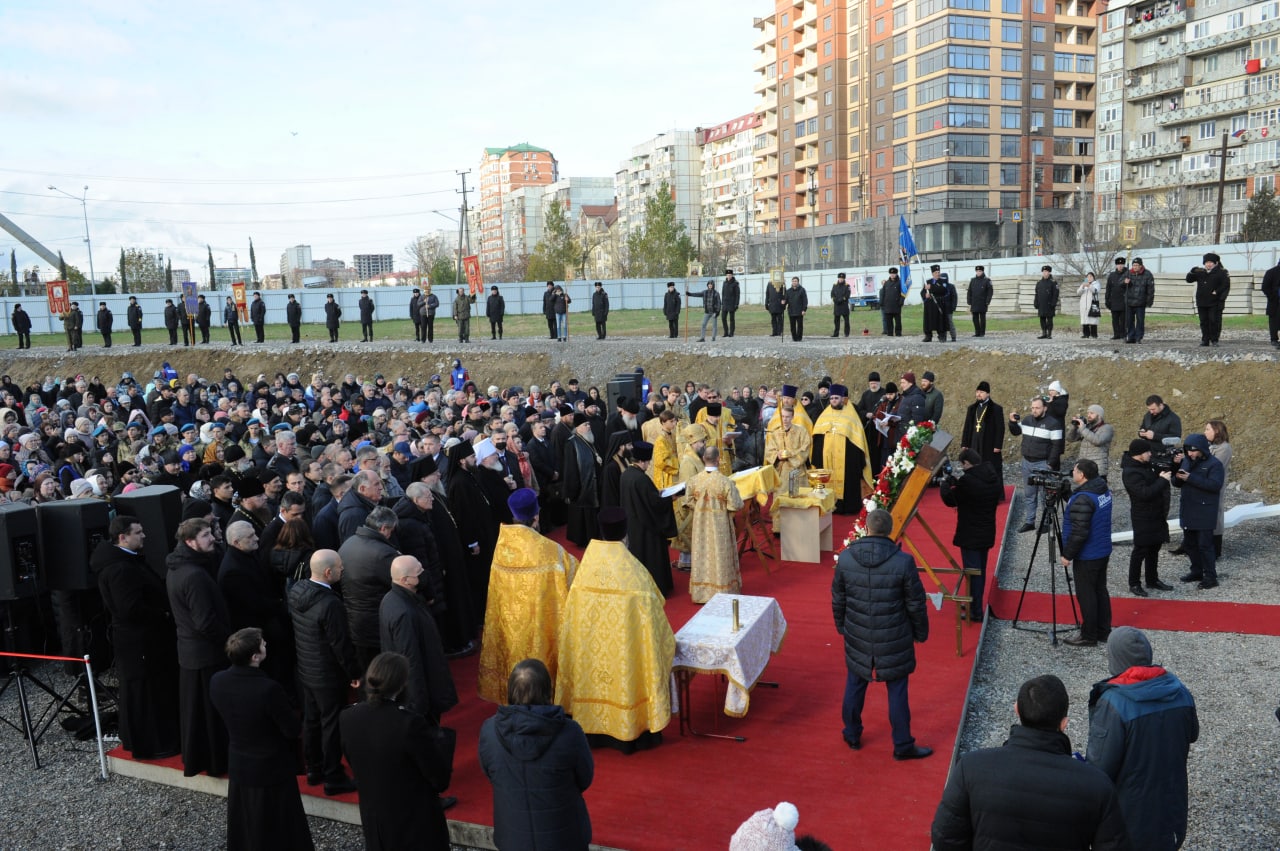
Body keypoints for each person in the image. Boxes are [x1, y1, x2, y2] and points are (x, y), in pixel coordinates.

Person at [930, 674, 1130, 850]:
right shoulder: (1096, 785)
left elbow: (945, 837)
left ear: (1017, 710)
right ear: (1064, 723)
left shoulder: (971, 767)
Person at [1087, 627, 1200, 851]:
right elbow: (1193, 734)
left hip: (1128, 815)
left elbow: (1099, 768)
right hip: (1171, 806)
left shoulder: (1114, 702)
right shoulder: (1180, 691)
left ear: (1115, 658)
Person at [832, 508, 930, 759]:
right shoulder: (903, 561)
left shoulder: (846, 558)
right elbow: (916, 603)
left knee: (854, 685)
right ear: (889, 530)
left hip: (858, 633)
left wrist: (842, 626)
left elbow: (838, 598)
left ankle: (851, 733)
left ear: (867, 528)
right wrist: (920, 632)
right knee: (897, 691)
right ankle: (902, 745)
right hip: (894, 636)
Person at [209, 628, 315, 851]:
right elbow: (291, 729)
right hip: (271, 767)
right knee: (279, 826)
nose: (266, 645)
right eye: (263, 644)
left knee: (248, 824)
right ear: (255, 657)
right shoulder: (267, 689)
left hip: (240, 763)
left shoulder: (217, 681)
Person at [340, 652, 453, 850]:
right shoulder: (409, 723)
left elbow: (354, 760)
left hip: (376, 821)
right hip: (414, 822)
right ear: (402, 684)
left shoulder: (348, 716)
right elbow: (439, 778)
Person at [478, 658, 594, 851]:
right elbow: (585, 777)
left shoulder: (489, 731)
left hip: (513, 839)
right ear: (548, 691)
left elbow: (489, 771)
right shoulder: (570, 732)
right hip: (564, 839)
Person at [477, 489, 577, 704]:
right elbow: (573, 577)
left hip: (511, 625)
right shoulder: (550, 550)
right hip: (538, 625)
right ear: (536, 515)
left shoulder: (502, 546)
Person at [94, 515, 180, 759]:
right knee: (146, 693)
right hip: (140, 641)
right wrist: (162, 614)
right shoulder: (120, 568)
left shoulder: (125, 562)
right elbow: (130, 608)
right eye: (138, 532)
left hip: (140, 640)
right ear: (123, 537)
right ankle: (153, 743)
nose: (144, 536)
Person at [289, 549, 361, 796]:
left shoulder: (297, 591)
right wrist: (354, 673)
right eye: (340, 567)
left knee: (311, 720)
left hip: (306, 669)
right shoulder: (330, 603)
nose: (343, 570)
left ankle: (314, 768)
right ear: (329, 572)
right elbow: (340, 644)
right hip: (328, 674)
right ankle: (333, 775)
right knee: (332, 724)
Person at [165, 517, 230, 778]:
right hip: (205, 654)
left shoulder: (181, 567)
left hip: (193, 652)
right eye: (205, 535)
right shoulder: (193, 575)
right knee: (208, 715)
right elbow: (205, 622)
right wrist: (229, 639)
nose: (212, 538)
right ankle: (215, 762)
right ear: (190, 542)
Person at [379, 555, 458, 725]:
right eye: (419, 572)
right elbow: (410, 660)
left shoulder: (394, 599)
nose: (424, 574)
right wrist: (418, 704)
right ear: (406, 580)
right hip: (421, 692)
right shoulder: (404, 612)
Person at [939, 449, 1002, 622]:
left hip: (971, 533)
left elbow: (951, 499)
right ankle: (975, 603)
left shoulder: (968, 481)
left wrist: (945, 484)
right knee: (979, 570)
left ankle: (975, 611)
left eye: (962, 465)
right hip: (986, 531)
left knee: (974, 573)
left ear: (967, 463)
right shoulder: (992, 477)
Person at [1061, 459, 1114, 648]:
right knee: (1100, 590)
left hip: (1088, 553)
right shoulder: (1101, 490)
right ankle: (1103, 630)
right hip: (1102, 549)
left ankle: (1088, 635)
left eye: (1074, 470)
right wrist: (1070, 495)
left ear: (1082, 475)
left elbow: (1080, 531)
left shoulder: (1084, 498)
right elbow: (1086, 511)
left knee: (1087, 594)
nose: (1072, 472)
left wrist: (1067, 554)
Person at [684, 444, 744, 603]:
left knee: (702, 554)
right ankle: (722, 591)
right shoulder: (725, 482)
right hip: (720, 526)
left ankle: (701, 593)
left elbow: (688, 501)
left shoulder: (694, 480)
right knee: (720, 555)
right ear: (718, 459)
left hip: (700, 527)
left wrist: (700, 510)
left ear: (704, 459)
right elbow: (736, 504)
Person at [618, 442, 678, 596]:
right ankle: (659, 588)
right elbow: (654, 504)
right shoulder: (641, 478)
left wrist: (657, 493)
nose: (649, 465)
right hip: (648, 526)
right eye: (648, 462)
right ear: (643, 461)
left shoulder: (626, 474)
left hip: (633, 523)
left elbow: (645, 497)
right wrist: (670, 498)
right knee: (652, 557)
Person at [1121, 439, 1174, 597]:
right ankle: (1134, 583)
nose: (1150, 454)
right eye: (1147, 452)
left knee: (1154, 548)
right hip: (1143, 515)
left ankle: (1152, 579)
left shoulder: (1145, 465)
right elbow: (1144, 493)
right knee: (1141, 549)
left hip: (1156, 513)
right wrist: (1162, 480)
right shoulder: (1130, 472)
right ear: (1139, 454)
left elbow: (1162, 469)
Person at [809, 384, 872, 515]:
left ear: (842, 399)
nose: (834, 401)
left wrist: (855, 458)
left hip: (847, 458)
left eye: (836, 398)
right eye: (831, 398)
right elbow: (817, 435)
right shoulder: (824, 415)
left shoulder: (851, 415)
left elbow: (858, 439)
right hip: (828, 457)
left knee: (848, 480)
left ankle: (848, 508)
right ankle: (828, 504)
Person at [1173, 432, 1225, 589]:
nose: (1190, 453)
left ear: (1202, 449)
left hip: (1205, 511)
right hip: (1188, 508)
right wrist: (1176, 469)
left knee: (1205, 545)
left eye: (1194, 450)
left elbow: (1215, 485)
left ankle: (1210, 576)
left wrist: (1191, 478)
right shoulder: (1187, 461)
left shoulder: (1215, 464)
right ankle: (1196, 571)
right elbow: (1177, 483)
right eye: (1188, 450)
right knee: (1189, 544)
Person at [1009, 395, 1063, 533]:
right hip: (1027, 462)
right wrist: (1012, 423)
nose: (1034, 410)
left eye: (1037, 408)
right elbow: (1015, 432)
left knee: (1044, 495)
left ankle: (1046, 522)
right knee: (1029, 494)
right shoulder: (1027, 420)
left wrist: (1050, 464)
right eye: (1033, 407)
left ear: (1045, 408)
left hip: (1043, 463)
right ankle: (1030, 521)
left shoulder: (1054, 423)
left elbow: (1057, 446)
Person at [765, 405, 811, 524]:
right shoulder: (775, 433)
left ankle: (799, 525)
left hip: (797, 470)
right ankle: (779, 528)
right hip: (781, 471)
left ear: (792, 417)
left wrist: (790, 454)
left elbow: (805, 448)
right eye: (783, 416)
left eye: (787, 417)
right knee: (781, 498)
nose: (785, 419)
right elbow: (769, 450)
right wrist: (777, 455)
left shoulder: (801, 431)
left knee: (798, 498)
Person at [561, 416, 602, 547]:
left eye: (589, 424)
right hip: (581, 487)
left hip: (593, 483)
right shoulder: (571, 443)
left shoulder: (590, 439)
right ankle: (584, 540)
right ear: (577, 428)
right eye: (585, 424)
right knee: (583, 515)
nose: (588, 427)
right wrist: (572, 490)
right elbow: (570, 469)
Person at [960, 381, 1004, 490]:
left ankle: (992, 493)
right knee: (974, 467)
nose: (979, 394)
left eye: (982, 392)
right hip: (974, 443)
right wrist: (965, 443)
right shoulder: (972, 408)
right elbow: (967, 427)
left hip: (989, 444)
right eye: (977, 392)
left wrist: (998, 445)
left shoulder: (996, 408)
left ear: (988, 394)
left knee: (989, 468)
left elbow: (1000, 428)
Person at [1187, 252, 1230, 347]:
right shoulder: (1201, 272)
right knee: (1203, 321)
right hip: (1202, 301)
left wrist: (1217, 292)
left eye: (1211, 262)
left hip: (1214, 302)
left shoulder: (1222, 272)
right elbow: (1189, 279)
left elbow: (1225, 285)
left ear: (1216, 263)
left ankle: (1214, 340)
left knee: (1214, 321)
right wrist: (1192, 271)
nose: (1208, 264)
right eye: (1206, 262)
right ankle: (1205, 340)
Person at [1203, 419, 1231, 557]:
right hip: (1206, 484)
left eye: (1208, 429)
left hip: (1215, 485)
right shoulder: (1210, 445)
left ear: (1217, 431)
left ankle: (1216, 550)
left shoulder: (1224, 448)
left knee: (1216, 515)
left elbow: (1214, 466)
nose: (1205, 432)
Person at [1066, 404, 1114, 477]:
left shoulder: (1107, 428)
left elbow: (1098, 441)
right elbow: (1070, 439)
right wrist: (1074, 426)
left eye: (1092, 413)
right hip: (1083, 468)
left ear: (1099, 415)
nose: (1088, 415)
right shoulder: (1087, 427)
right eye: (1088, 413)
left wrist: (1083, 428)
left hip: (1097, 469)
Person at [1123, 257, 1155, 344]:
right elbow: (1120, 283)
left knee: (1140, 321)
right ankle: (1131, 336)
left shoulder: (1147, 274)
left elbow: (1151, 290)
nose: (1135, 267)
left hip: (1141, 302)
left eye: (1137, 265)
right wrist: (1124, 282)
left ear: (1141, 266)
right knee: (1129, 320)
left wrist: (1149, 301)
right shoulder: (1128, 273)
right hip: (1129, 302)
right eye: (1133, 265)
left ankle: (1138, 337)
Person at [1104, 256, 1129, 340]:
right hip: (1114, 301)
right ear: (1116, 265)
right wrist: (1107, 299)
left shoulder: (1127, 274)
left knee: (1123, 319)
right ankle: (1116, 334)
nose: (1120, 266)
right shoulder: (1112, 275)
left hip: (1124, 300)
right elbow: (1108, 288)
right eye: (1118, 264)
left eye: (1122, 264)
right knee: (1115, 319)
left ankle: (1123, 334)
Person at [920, 266, 945, 342]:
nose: (937, 274)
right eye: (936, 273)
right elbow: (922, 292)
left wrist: (932, 287)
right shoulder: (928, 282)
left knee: (939, 321)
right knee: (928, 320)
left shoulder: (943, 281)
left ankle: (941, 336)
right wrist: (925, 295)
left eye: (938, 272)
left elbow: (942, 290)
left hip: (938, 304)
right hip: (929, 305)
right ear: (932, 273)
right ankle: (928, 336)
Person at [1034, 265, 1059, 339]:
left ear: (1049, 272)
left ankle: (1049, 334)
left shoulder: (1053, 282)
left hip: (1049, 304)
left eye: (1046, 271)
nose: (1045, 273)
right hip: (1041, 304)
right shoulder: (1039, 282)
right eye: (1044, 272)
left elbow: (1056, 294)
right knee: (1042, 319)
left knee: (1049, 319)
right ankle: (1044, 333)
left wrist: (1053, 303)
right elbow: (1036, 293)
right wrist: (1036, 302)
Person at [967, 265, 993, 337]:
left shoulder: (987, 280)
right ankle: (977, 332)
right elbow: (969, 291)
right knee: (974, 318)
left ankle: (982, 332)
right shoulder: (973, 280)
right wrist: (969, 301)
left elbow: (990, 292)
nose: (978, 272)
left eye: (980, 271)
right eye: (977, 271)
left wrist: (988, 301)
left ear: (983, 271)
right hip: (974, 302)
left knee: (982, 318)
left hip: (983, 302)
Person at [879, 268, 903, 336]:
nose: (892, 275)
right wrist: (881, 302)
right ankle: (890, 333)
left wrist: (901, 301)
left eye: (894, 274)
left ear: (896, 274)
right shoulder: (886, 283)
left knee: (897, 320)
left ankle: (898, 332)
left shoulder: (900, 283)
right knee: (888, 320)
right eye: (891, 274)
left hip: (896, 304)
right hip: (887, 305)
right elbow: (883, 293)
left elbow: (903, 293)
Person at [1263, 256, 1280, 349]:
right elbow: (1265, 287)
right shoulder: (1271, 272)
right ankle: (1274, 339)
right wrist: (1273, 296)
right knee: (1274, 321)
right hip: (1275, 302)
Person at [1077, 271, 1100, 338]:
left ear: (1093, 277)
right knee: (1085, 319)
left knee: (1093, 319)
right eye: (1088, 277)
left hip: (1092, 304)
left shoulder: (1096, 284)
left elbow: (1095, 291)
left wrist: (1089, 285)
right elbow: (1078, 293)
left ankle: (1094, 334)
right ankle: (1086, 334)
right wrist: (1083, 287)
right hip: (1084, 304)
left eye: (1091, 276)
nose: (1089, 278)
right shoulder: (1083, 284)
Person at [785, 275, 808, 341]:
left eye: (795, 281)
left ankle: (799, 337)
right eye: (793, 281)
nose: (794, 282)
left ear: (798, 282)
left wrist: (804, 309)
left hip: (799, 311)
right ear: (791, 282)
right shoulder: (788, 291)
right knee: (792, 326)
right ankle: (794, 337)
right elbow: (786, 300)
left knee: (800, 325)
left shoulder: (802, 290)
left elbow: (805, 301)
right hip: (791, 311)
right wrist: (783, 302)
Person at [830, 271, 851, 337]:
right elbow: (832, 294)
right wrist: (835, 299)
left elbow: (847, 295)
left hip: (844, 305)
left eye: (842, 278)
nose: (841, 279)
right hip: (837, 306)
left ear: (844, 279)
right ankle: (836, 334)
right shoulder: (834, 285)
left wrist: (841, 299)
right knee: (836, 321)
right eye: (839, 278)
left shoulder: (847, 286)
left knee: (846, 321)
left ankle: (846, 333)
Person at [721, 269, 740, 337]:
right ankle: (726, 332)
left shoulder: (735, 283)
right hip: (725, 304)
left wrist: (736, 304)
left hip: (732, 304)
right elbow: (723, 293)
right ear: (726, 275)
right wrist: (722, 302)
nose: (728, 276)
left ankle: (731, 333)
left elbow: (737, 295)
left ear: (732, 275)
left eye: (730, 275)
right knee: (723, 318)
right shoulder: (724, 283)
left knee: (731, 319)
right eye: (727, 275)